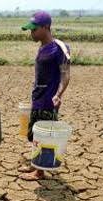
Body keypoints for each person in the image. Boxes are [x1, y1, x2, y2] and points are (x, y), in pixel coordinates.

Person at [19, 11, 71, 181]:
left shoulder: (59, 48)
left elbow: (65, 74)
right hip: (38, 98)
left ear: (45, 27)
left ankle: (40, 172)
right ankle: (35, 164)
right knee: (35, 134)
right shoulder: (42, 46)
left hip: (49, 100)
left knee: (45, 136)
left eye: (34, 29)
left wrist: (58, 94)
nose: (31, 33)